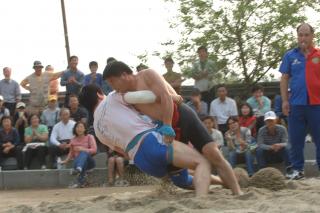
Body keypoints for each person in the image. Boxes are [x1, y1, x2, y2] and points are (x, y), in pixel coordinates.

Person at [101, 61, 242, 195]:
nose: (112, 87)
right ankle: (219, 184)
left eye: (112, 81)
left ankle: (238, 192)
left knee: (213, 154)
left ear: (124, 75)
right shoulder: (122, 97)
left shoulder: (147, 75)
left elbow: (165, 97)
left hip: (182, 116)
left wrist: (168, 124)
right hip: (162, 127)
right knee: (179, 178)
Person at [79, 85, 213, 197]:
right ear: (99, 94)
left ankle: (221, 181)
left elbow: (122, 152)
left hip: (141, 161)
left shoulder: (97, 129)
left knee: (182, 179)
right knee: (202, 162)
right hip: (150, 142)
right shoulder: (113, 97)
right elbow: (146, 97)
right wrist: (172, 97)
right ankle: (201, 203)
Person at [279, 23, 320, 179]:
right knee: (296, 140)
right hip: (296, 104)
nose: (303, 38)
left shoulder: (319, 54)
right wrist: (284, 101)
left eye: (306, 35)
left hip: (317, 104)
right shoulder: (290, 55)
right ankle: (297, 170)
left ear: (312, 36)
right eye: (300, 35)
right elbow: (284, 79)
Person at [61, 121, 97, 188]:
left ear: (84, 129)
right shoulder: (73, 140)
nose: (79, 129)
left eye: (81, 127)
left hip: (90, 162)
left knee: (83, 153)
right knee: (82, 162)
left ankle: (79, 171)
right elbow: (71, 153)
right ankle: (81, 181)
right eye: (77, 127)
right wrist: (65, 161)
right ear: (75, 129)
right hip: (78, 162)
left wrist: (83, 149)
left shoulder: (89, 137)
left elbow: (94, 150)